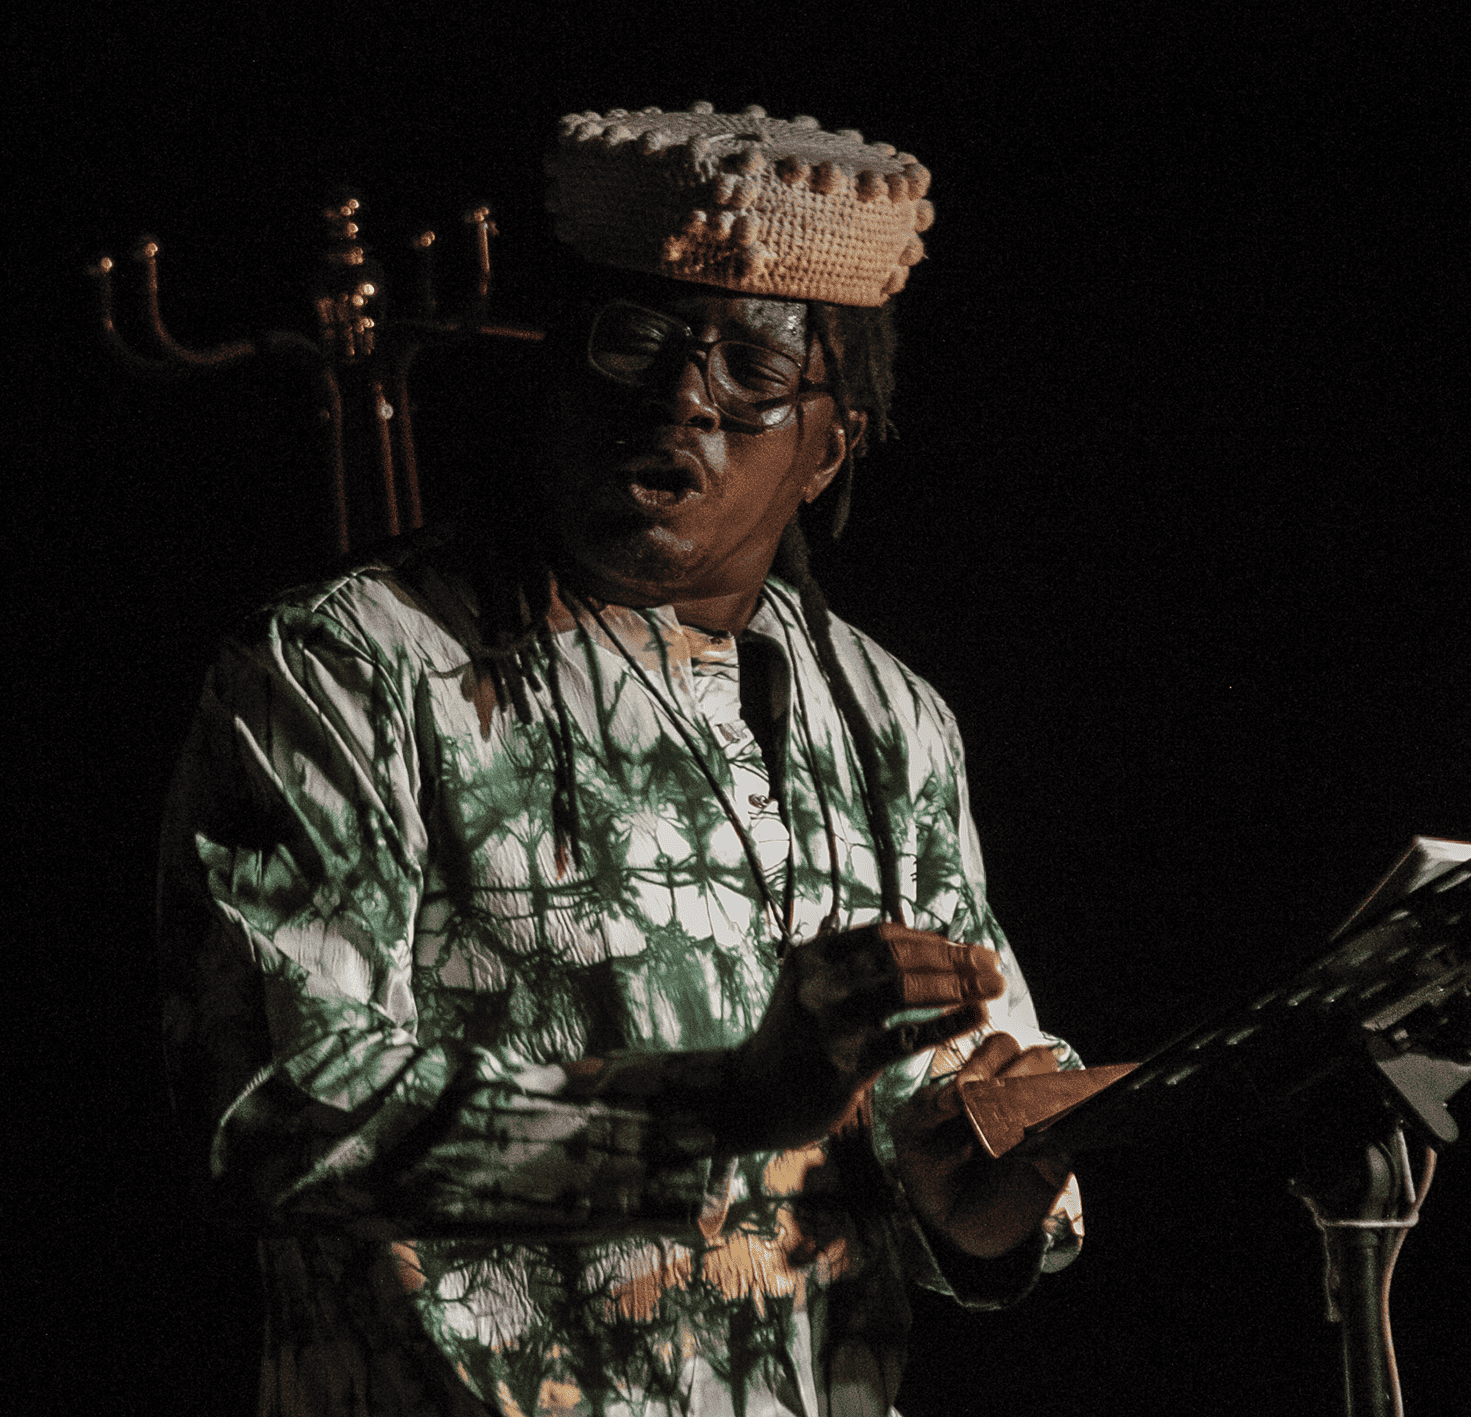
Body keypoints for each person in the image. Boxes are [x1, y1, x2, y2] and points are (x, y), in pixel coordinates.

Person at [159, 102, 1082, 1416]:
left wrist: (974, 1201)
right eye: (635, 342)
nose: (681, 399)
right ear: (558, 375)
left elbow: (951, 1110)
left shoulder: (892, 720)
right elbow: (270, 1114)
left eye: (754, 369)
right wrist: (718, 1107)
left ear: (829, 446)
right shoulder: (346, 668)